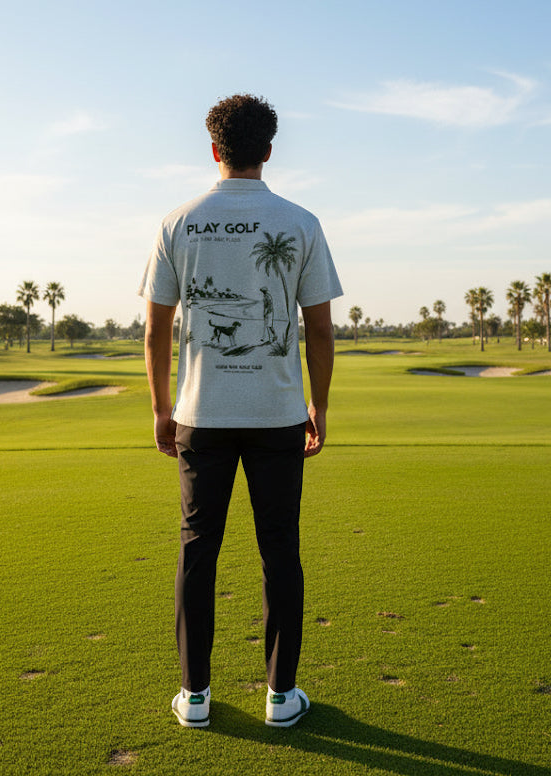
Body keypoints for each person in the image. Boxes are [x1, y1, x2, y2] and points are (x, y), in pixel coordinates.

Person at [139, 94, 342, 729]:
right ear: (269, 150)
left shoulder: (179, 221)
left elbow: (154, 332)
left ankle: (194, 697)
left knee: (198, 549)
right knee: (280, 550)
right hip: (278, 415)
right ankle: (282, 697)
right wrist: (320, 405)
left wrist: (160, 410)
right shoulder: (300, 221)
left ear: (213, 149)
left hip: (202, 414)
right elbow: (321, 331)